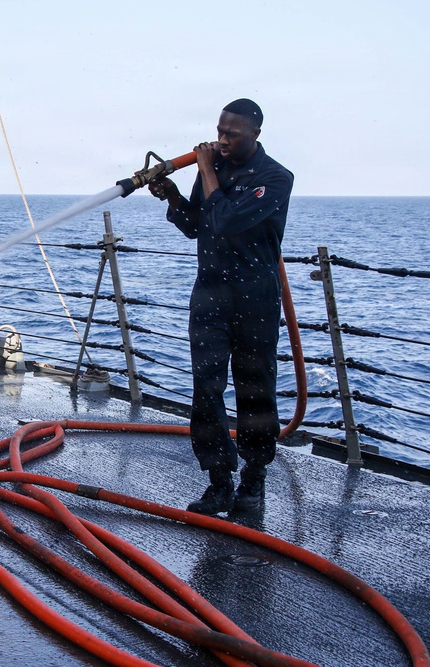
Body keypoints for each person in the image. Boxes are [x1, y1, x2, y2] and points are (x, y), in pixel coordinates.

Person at [149, 98, 293, 515]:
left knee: (255, 389)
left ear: (256, 135)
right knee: (206, 389)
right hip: (211, 293)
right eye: (219, 131)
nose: (221, 140)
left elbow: (228, 220)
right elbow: (199, 226)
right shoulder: (214, 170)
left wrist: (206, 168)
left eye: (232, 134)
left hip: (255, 298)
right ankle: (218, 481)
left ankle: (253, 480)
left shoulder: (275, 178)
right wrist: (174, 196)